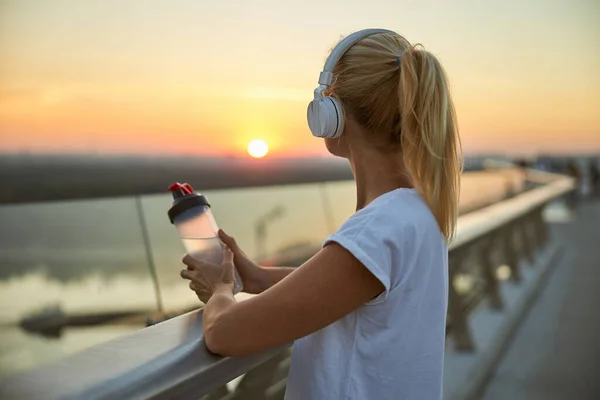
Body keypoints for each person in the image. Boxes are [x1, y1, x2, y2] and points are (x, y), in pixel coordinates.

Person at [180, 28, 462, 400]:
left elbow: (224, 333)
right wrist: (256, 277)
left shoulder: (377, 231)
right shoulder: (416, 211)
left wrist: (220, 290)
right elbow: (355, 290)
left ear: (331, 113)